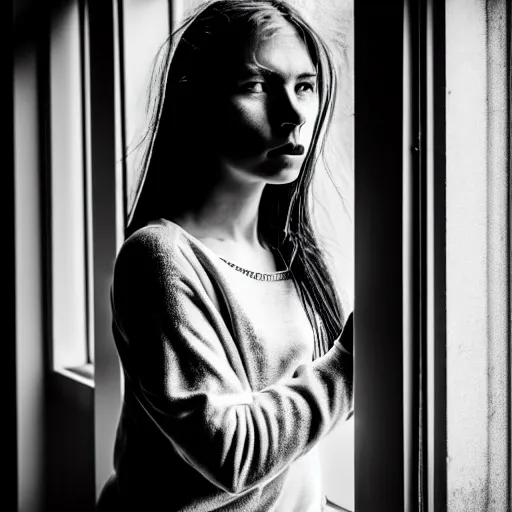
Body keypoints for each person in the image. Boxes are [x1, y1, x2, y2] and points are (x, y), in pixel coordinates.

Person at [97, 0, 354, 510]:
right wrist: (354, 362)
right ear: (197, 102)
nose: (294, 115)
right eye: (257, 86)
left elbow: (301, 435)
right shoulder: (160, 258)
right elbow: (231, 454)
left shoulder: (290, 251)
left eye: (304, 85)